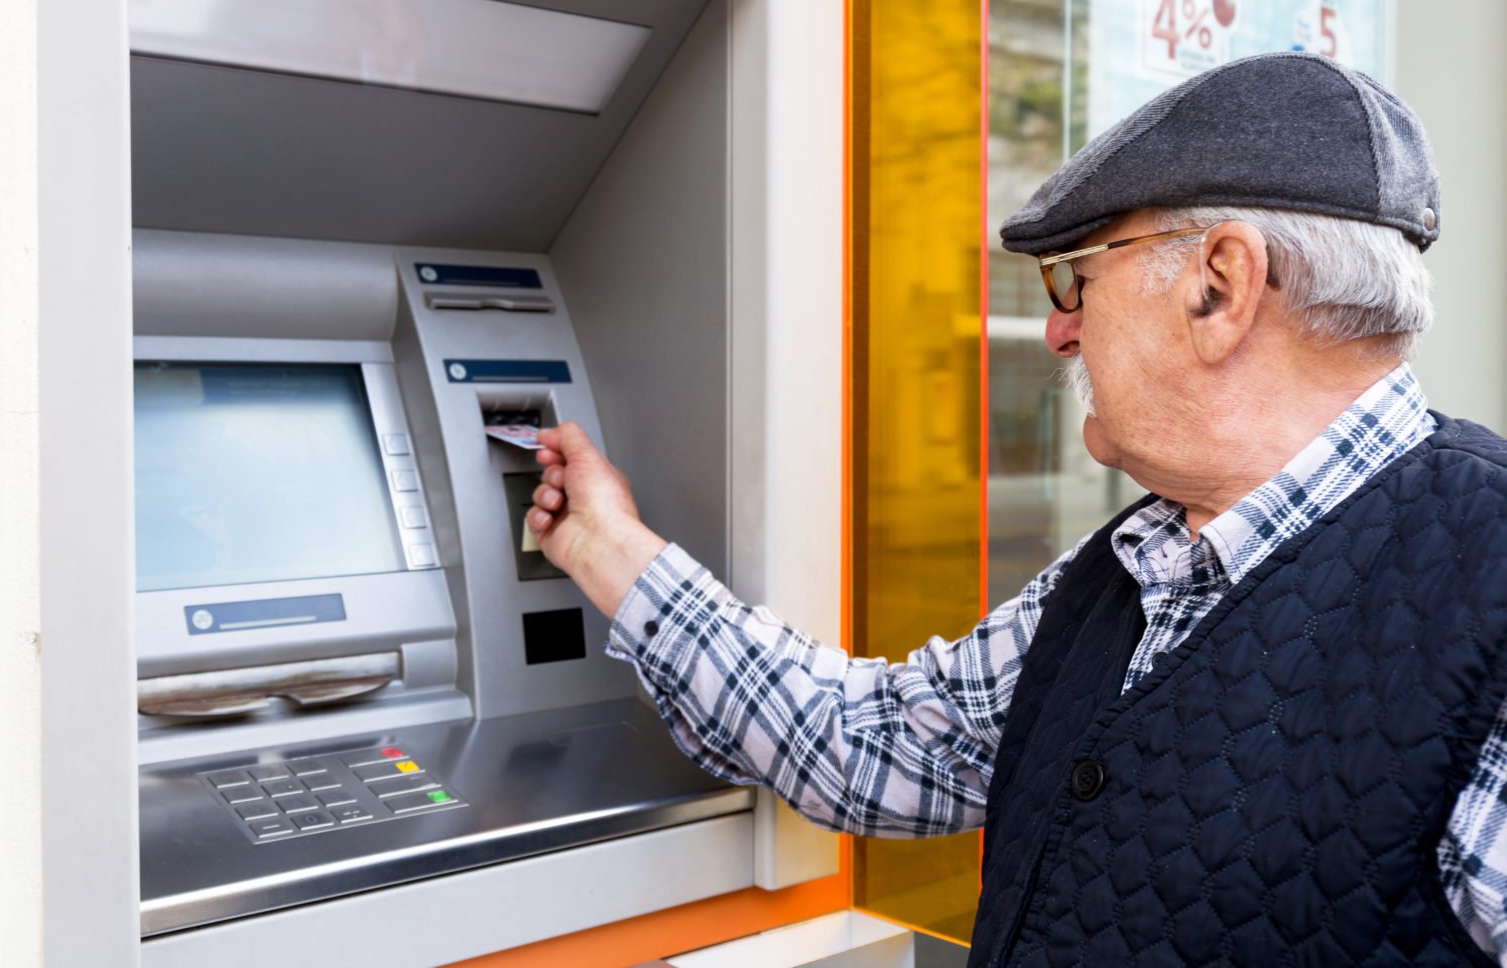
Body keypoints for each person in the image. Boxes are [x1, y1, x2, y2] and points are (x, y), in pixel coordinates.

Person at [525, 52, 1507, 966]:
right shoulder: (1135, 569)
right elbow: (868, 741)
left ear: (1222, 285)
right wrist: (608, 545)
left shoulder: (1489, 585)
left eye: (1078, 277)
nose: (1058, 328)